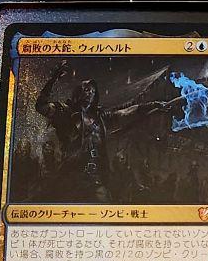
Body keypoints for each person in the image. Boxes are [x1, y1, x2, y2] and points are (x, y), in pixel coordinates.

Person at [34, 60, 183, 203]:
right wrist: (53, 79)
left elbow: (126, 112)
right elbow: (41, 106)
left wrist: (153, 105)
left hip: (97, 178)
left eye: (92, 91)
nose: (90, 93)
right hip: (71, 176)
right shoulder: (64, 112)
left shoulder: (101, 117)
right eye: (86, 90)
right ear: (78, 92)